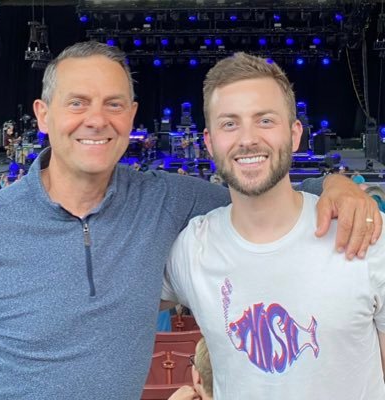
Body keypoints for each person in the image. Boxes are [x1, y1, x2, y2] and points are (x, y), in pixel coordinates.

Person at [0, 42, 381, 400]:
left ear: (131, 115)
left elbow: (255, 189)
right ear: (42, 114)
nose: (96, 119)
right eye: (77, 103)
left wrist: (335, 183)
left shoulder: (163, 200)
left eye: (114, 104)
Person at [162, 53, 385, 399]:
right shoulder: (192, 249)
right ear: (208, 142)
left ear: (295, 134)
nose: (248, 138)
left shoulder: (367, 233)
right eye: (230, 123)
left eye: (265, 120)